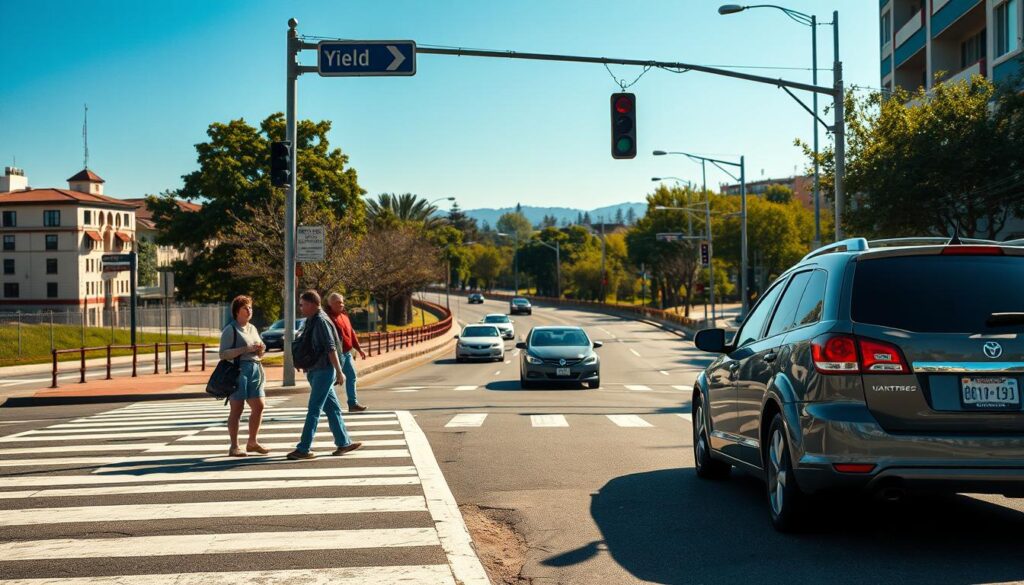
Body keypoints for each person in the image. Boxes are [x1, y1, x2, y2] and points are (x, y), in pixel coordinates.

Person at [287, 290, 363, 460]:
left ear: (312, 304)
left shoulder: (321, 321)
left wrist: (339, 371)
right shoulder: (311, 320)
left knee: (314, 409)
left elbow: (331, 348)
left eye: (302, 305)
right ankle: (343, 443)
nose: (300, 308)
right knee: (333, 408)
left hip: (324, 371)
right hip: (316, 370)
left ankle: (303, 448)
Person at [219, 295, 268, 457]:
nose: (249, 310)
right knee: (237, 408)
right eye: (245, 308)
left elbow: (259, 351)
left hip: (255, 368)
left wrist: (260, 349)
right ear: (237, 312)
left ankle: (252, 442)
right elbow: (223, 354)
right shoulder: (230, 329)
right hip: (239, 370)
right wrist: (245, 349)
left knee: (259, 406)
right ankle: (234, 446)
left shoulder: (252, 328)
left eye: (250, 307)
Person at [326, 292, 368, 413]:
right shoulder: (328, 319)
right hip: (335, 355)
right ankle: (329, 405)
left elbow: (351, 333)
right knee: (330, 380)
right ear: (330, 304)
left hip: (347, 353)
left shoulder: (344, 316)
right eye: (338, 303)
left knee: (351, 376)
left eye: (342, 302)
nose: (341, 305)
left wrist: (359, 349)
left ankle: (352, 404)